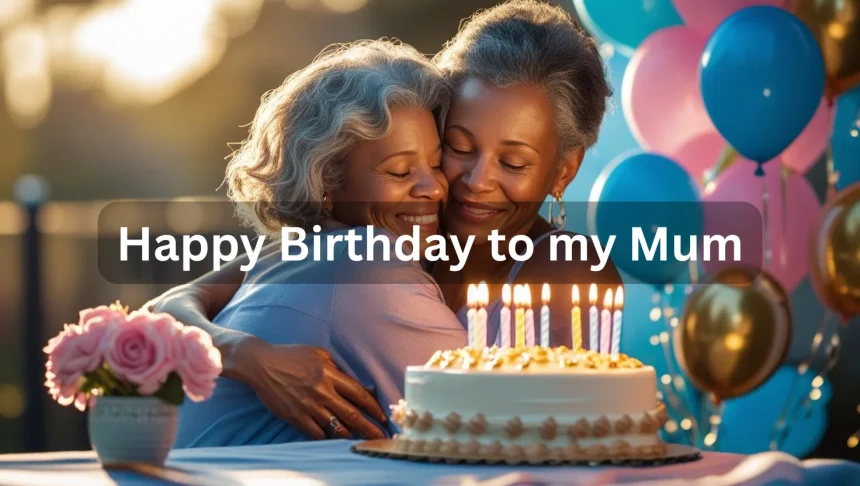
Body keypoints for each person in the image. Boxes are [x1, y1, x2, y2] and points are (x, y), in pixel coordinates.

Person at [148, 0, 622, 443]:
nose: (476, 181)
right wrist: (253, 359)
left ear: (564, 170)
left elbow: (554, 440)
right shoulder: (382, 238)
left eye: (514, 163)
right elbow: (169, 305)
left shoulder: (567, 270)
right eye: (458, 147)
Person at [169, 39, 467, 448]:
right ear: (327, 183)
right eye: (399, 172)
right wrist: (253, 359)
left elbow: (167, 304)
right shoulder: (363, 262)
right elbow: (489, 418)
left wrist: (246, 355)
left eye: (435, 164)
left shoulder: (293, 253)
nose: (433, 188)